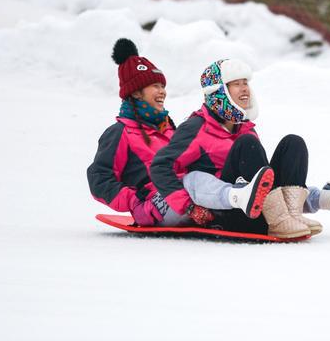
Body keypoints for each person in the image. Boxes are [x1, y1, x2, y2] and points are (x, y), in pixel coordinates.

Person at [150, 59, 330, 238]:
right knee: (247, 145)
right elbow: (160, 167)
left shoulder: (244, 127)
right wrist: (188, 208)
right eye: (236, 83)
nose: (245, 88)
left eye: (245, 82)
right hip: (227, 214)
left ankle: (293, 216)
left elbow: (261, 176)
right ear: (218, 91)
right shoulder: (195, 128)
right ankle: (282, 219)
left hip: (256, 207)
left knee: (293, 143)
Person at [87, 39, 270, 227]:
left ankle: (261, 203)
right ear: (135, 93)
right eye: (155, 87)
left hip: (185, 197)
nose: (162, 92)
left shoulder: (168, 129)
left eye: (163, 86)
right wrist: (134, 200)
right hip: (155, 205)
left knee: (199, 176)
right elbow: (99, 179)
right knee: (194, 179)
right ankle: (239, 197)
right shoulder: (120, 132)